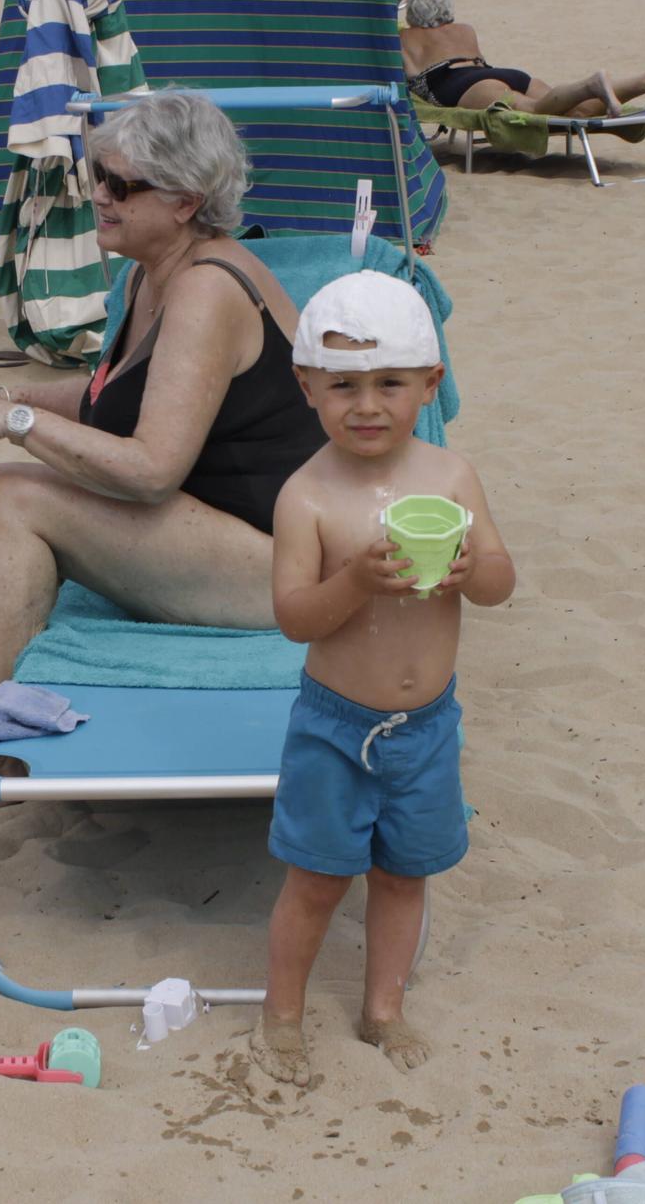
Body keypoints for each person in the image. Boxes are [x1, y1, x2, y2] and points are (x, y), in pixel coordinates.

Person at [0, 91, 329, 841]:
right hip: (230, 536)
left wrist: (17, 423)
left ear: (186, 201)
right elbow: (105, 400)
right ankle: (5, 718)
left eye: (120, 184)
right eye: (97, 174)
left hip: (280, 566)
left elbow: (151, 466)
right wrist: (5, 394)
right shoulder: (154, 273)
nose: (98, 195)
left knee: (15, 496)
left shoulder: (207, 290)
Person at [244, 272, 516, 1087]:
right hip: (335, 727)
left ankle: (383, 1008)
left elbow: (502, 579)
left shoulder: (453, 476)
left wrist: (474, 568)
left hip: (428, 727)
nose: (368, 405)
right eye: (344, 387)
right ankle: (283, 1011)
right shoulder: (308, 497)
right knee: (319, 879)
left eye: (391, 383)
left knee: (404, 875)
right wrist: (356, 579)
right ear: (308, 389)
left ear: (430, 384)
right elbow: (295, 615)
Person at [401, 0, 645, 118]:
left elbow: (396, 74)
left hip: (462, 84)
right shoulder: (465, 29)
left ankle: (592, 84)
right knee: (574, 111)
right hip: (503, 74)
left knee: (534, 111)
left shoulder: (405, 39)